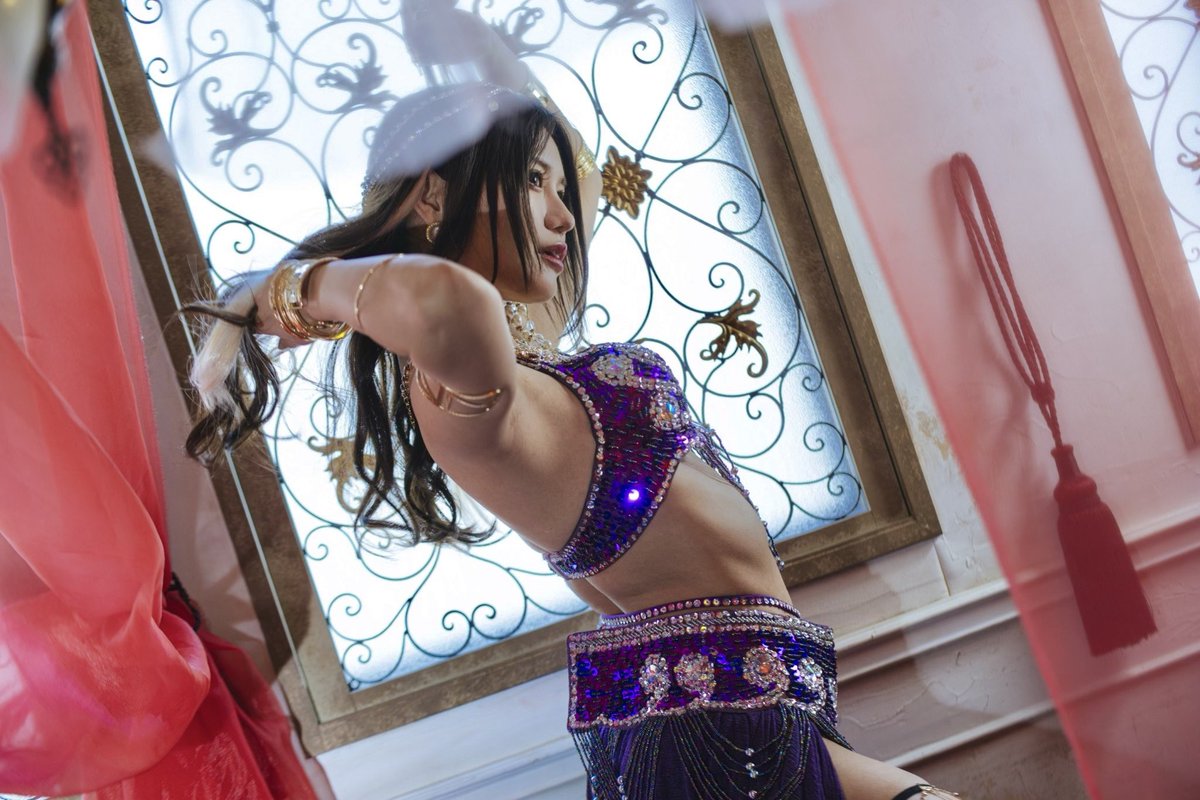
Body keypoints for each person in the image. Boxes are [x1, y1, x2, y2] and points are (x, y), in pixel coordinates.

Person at [185, 81, 959, 800]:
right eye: (533, 181)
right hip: (711, 741)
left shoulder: (530, 359)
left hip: (749, 720)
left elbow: (542, 217)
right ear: (434, 195)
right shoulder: (468, 390)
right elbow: (444, 296)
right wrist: (285, 291)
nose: (564, 216)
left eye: (561, 187)